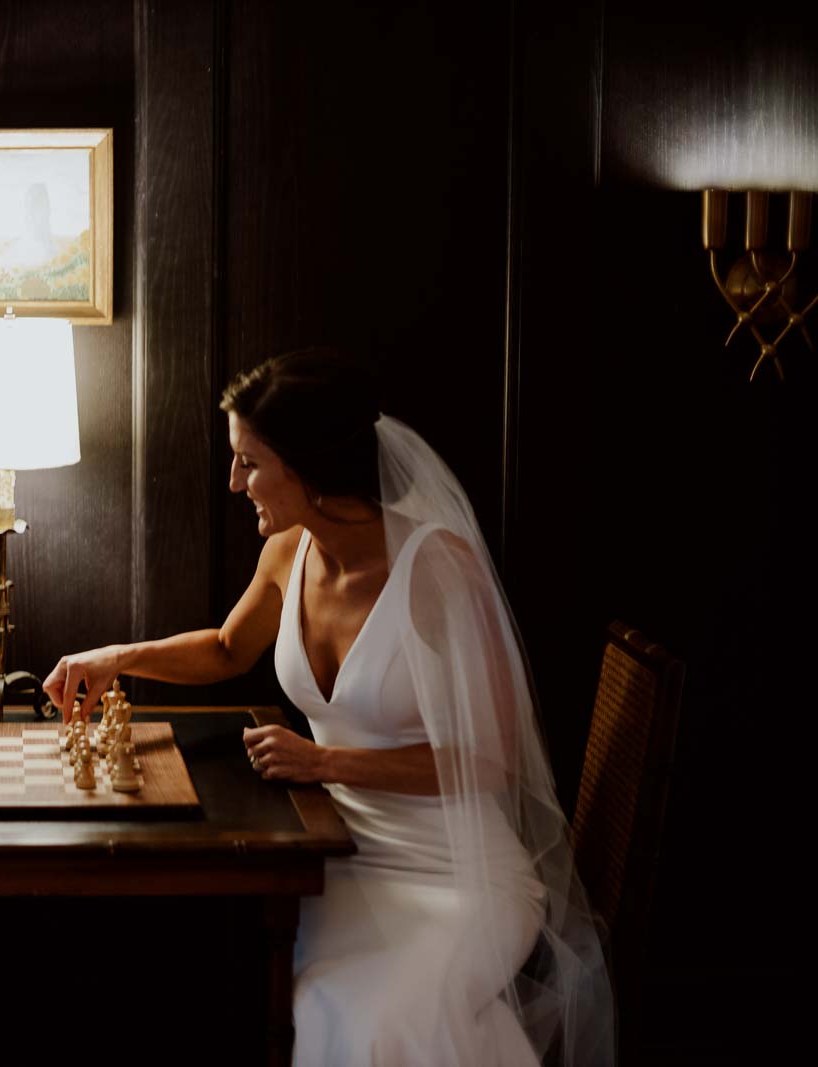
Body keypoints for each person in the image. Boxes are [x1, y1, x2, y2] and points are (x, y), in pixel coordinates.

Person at [43, 348, 611, 1065]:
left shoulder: (436, 569)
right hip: (337, 854)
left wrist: (324, 760)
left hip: (457, 870)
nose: (233, 480)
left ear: (306, 464)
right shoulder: (289, 548)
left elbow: (489, 760)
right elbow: (225, 648)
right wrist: (115, 657)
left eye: (250, 462)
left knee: (376, 1019)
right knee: (281, 991)